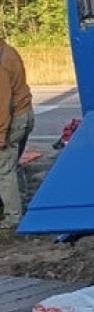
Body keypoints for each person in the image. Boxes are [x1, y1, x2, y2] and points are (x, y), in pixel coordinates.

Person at [0, 37, 33, 230]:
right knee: (13, 163)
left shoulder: (2, 64)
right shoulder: (9, 51)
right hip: (26, 114)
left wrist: (1, 134)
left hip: (14, 120)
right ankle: (23, 203)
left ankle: (13, 216)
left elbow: (3, 105)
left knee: (4, 170)